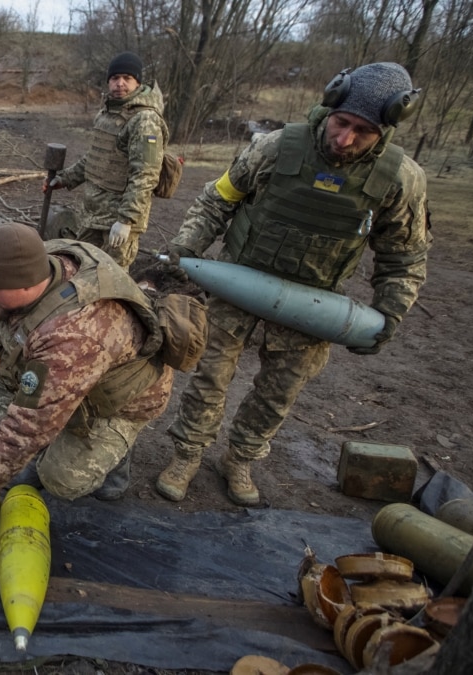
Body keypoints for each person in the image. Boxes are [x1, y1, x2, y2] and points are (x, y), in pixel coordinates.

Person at [154, 62, 431, 506]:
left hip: (313, 306)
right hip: (238, 283)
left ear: (387, 129)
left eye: (363, 131)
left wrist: (390, 313)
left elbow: (405, 256)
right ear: (330, 105)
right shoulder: (276, 147)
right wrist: (186, 247)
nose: (344, 140)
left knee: (278, 393)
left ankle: (240, 458)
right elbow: (217, 200)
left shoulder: (400, 180)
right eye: (341, 123)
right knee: (208, 376)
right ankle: (187, 453)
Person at [0, 223, 175, 526]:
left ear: (26, 285)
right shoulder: (43, 259)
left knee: (61, 479)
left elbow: (27, 427)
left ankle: (118, 454)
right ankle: (55, 432)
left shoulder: (72, 336)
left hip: (125, 399)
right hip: (78, 374)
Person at [43, 51, 169, 270]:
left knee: (111, 280)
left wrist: (126, 220)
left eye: (127, 78)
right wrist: (65, 179)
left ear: (138, 82)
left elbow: (146, 175)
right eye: (115, 78)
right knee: (82, 271)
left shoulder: (144, 120)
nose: (120, 84)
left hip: (117, 220)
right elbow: (96, 158)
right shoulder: (107, 113)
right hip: (93, 214)